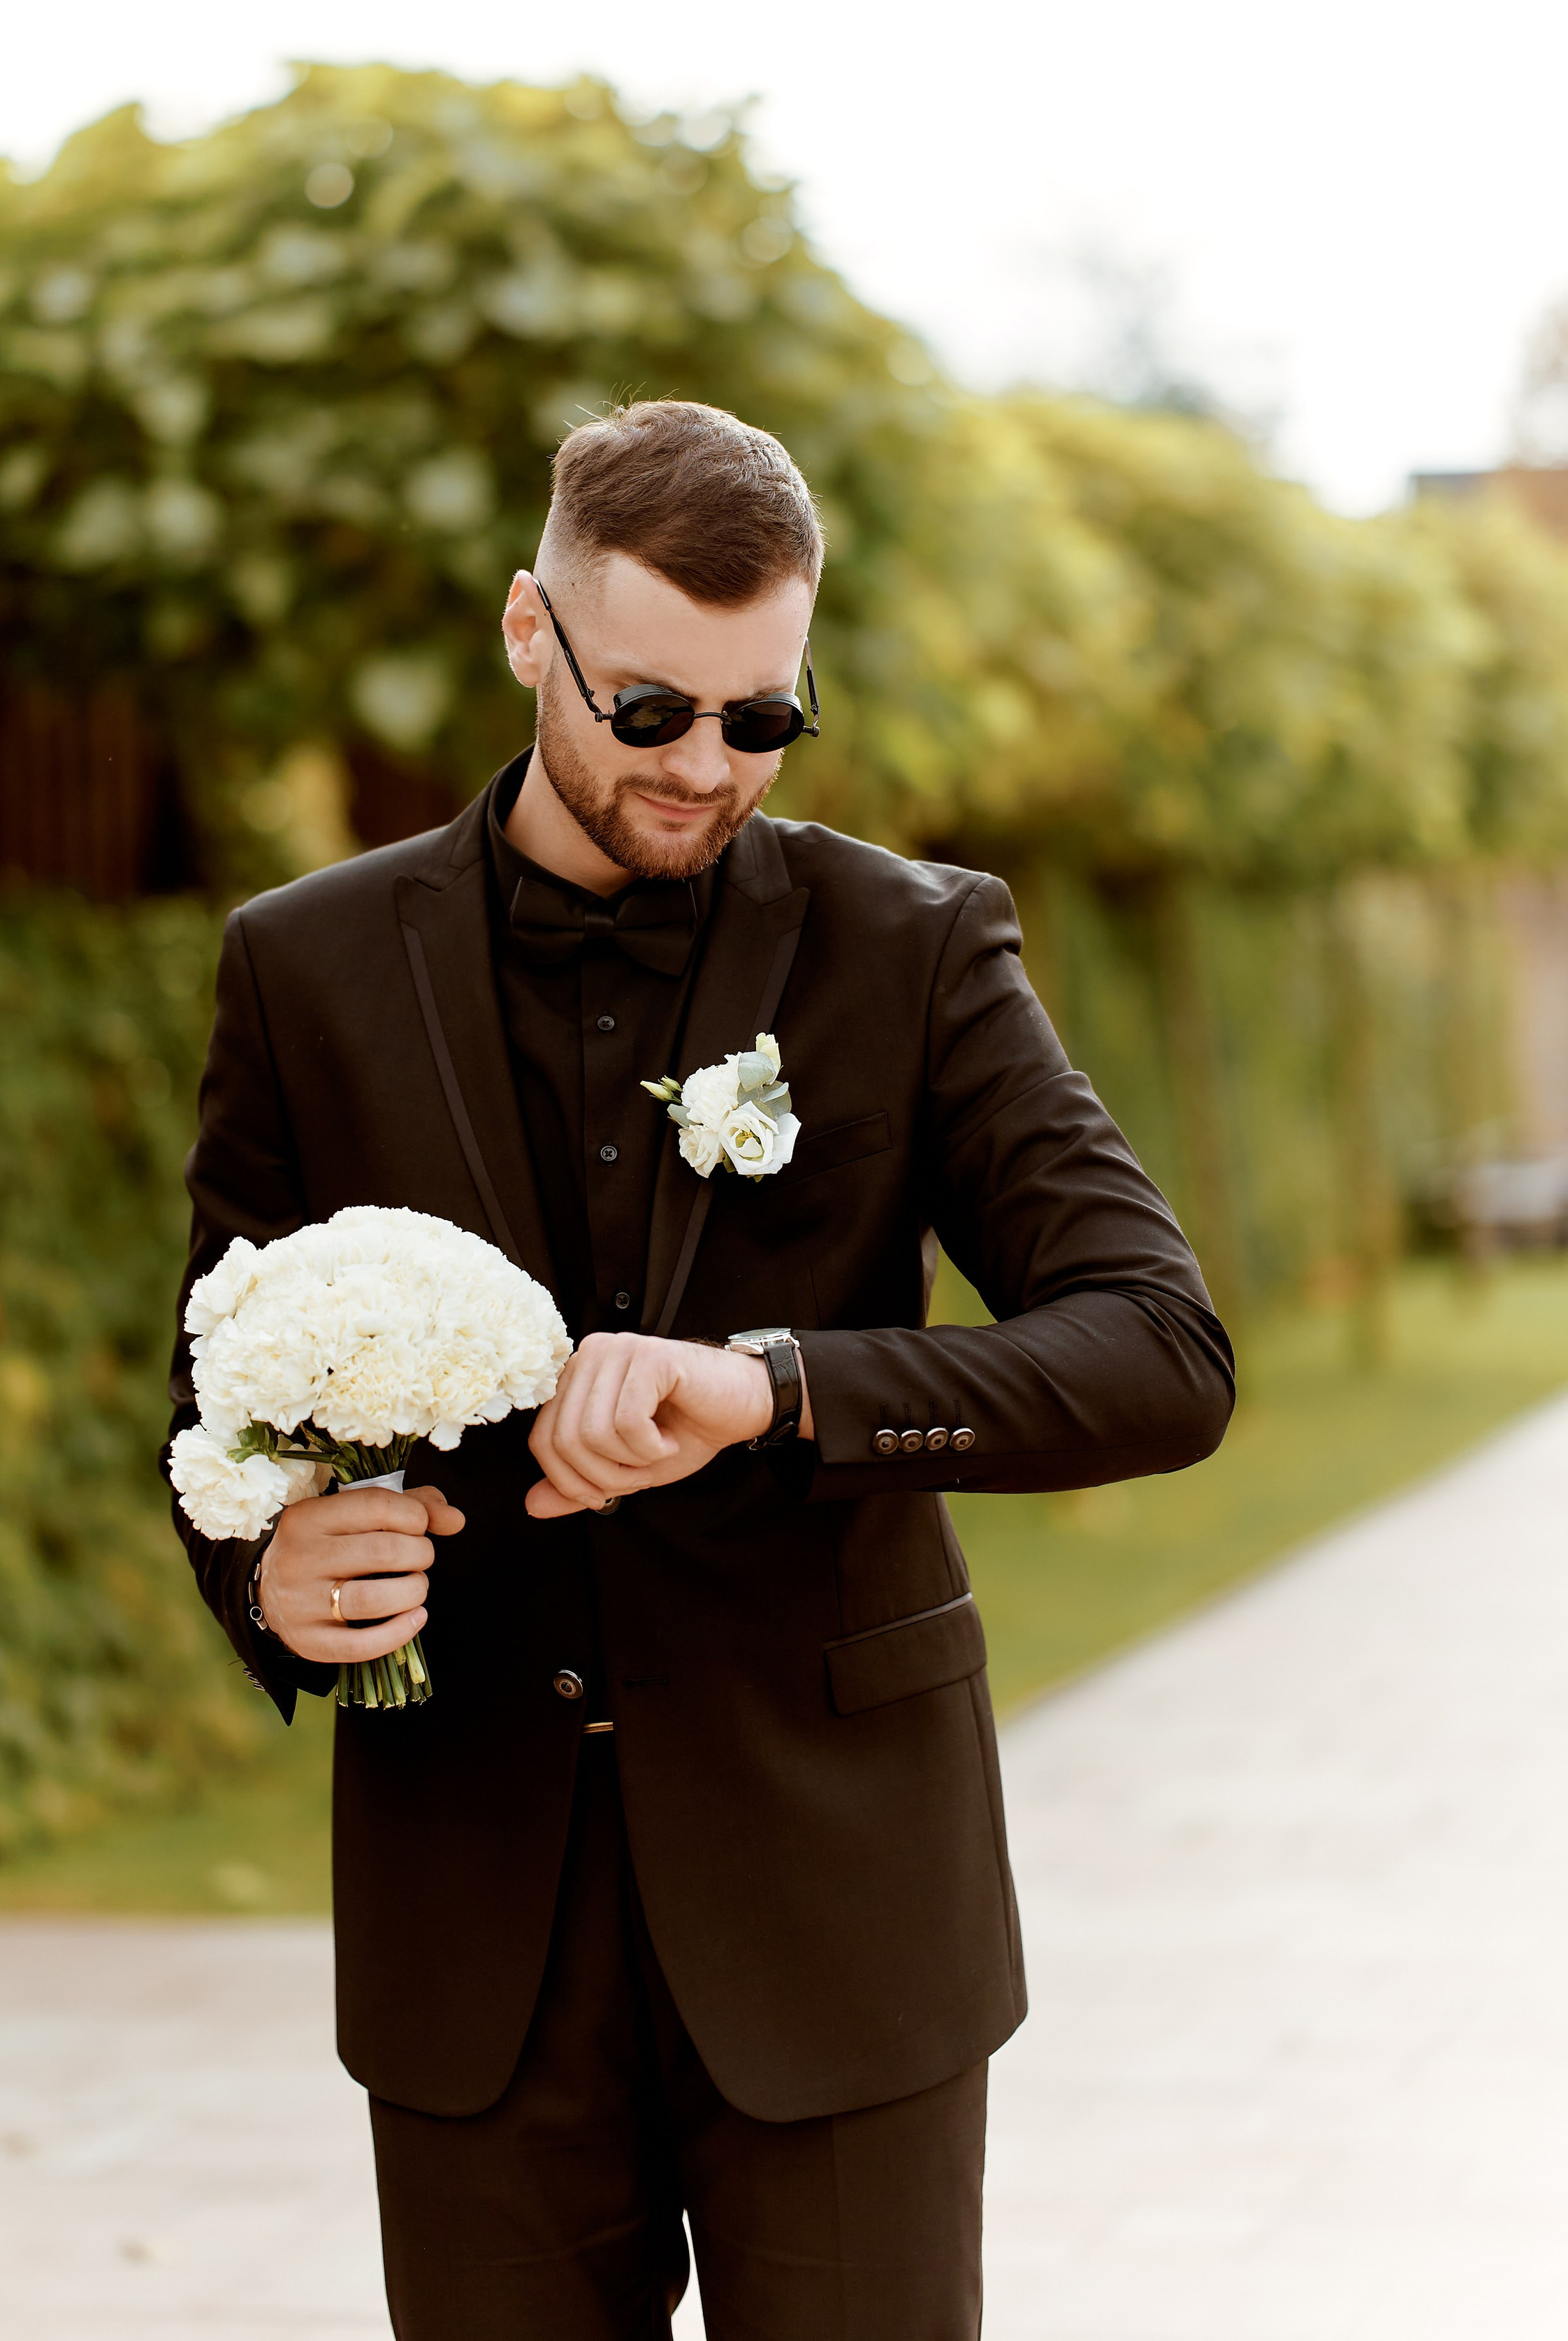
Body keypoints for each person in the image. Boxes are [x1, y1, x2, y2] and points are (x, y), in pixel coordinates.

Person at [167, 399, 1233, 2340]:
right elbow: (209, 1412)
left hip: (840, 1919)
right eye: (651, 709)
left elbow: (1162, 1351)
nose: (706, 766)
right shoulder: (300, 968)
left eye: (764, 720)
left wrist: (778, 1387)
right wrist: (270, 1579)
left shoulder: (914, 951)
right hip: (473, 1932)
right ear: (527, 631)